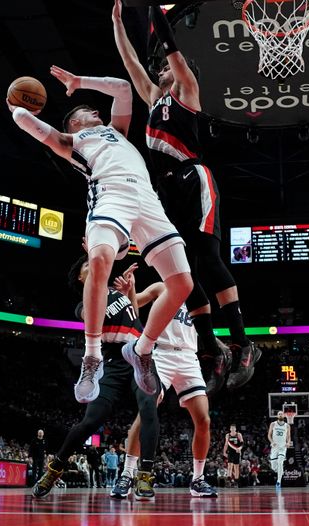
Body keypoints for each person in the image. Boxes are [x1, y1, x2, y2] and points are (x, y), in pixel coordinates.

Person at [8, 64, 193, 401]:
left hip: (148, 199)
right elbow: (31, 126)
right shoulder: (71, 141)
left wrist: (80, 81)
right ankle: (92, 356)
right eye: (86, 110)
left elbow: (122, 88)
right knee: (101, 262)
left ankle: (142, 349)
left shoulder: (117, 131)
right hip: (110, 194)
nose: (95, 110)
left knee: (183, 284)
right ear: (75, 122)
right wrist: (17, 109)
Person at [111, 0, 260, 392]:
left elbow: (171, 47)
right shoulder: (154, 100)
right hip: (167, 190)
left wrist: (152, 12)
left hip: (194, 179)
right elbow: (130, 65)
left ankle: (244, 343)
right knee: (181, 271)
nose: (160, 69)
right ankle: (211, 348)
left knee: (208, 259)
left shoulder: (187, 91)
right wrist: (118, 26)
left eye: (167, 67)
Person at [30, 260, 160, 498]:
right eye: (88, 265)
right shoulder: (83, 304)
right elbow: (91, 316)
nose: (95, 264)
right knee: (91, 421)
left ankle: (144, 475)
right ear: (81, 279)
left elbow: (134, 316)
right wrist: (100, 290)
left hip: (140, 356)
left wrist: (130, 289)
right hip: (114, 362)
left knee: (149, 409)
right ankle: (55, 468)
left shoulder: (115, 291)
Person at [115, 268, 218, 498]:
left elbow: (205, 331)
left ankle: (198, 479)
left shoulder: (198, 299)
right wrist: (129, 291)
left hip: (189, 357)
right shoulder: (161, 287)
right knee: (146, 412)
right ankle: (127, 474)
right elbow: (133, 308)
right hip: (161, 354)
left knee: (204, 419)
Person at [268, 411, 291, 488]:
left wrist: (288, 443)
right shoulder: (273, 424)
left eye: (282, 414)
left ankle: (278, 482)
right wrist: (272, 442)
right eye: (279, 414)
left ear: (284, 415)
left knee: (280, 462)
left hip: (282, 447)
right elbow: (269, 435)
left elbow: (288, 436)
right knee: (274, 467)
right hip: (274, 447)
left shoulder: (287, 426)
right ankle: (280, 472)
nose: (280, 415)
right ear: (277, 416)